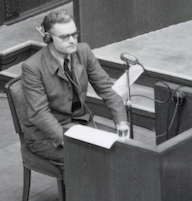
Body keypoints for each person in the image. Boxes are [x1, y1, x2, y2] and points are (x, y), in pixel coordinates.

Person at [20, 10, 127, 164]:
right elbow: (40, 114)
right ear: (48, 38)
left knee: (121, 150)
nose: (72, 41)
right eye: (65, 37)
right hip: (47, 135)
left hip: (80, 123)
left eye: (74, 34)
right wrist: (69, 142)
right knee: (90, 159)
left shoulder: (83, 51)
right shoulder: (32, 67)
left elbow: (107, 89)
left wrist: (121, 124)